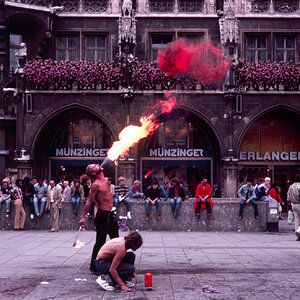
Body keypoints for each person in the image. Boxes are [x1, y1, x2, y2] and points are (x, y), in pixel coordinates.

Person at [79, 164, 119, 274]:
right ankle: (94, 267)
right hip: (102, 216)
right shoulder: (96, 184)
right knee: (100, 242)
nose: (97, 165)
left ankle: (116, 265)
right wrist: (83, 217)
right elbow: (88, 202)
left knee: (116, 240)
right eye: (94, 166)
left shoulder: (105, 180)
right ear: (94, 173)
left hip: (111, 215)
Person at [287, 174, 300, 241]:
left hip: (293, 204)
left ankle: (298, 236)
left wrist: (289, 206)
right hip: (299, 203)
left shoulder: (291, 186)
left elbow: (288, 197)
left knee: (297, 219)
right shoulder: (299, 186)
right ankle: (298, 231)